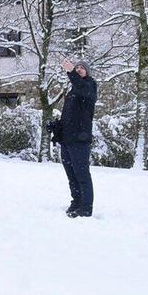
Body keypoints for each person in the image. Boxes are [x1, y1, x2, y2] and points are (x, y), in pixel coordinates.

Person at [56, 58, 97, 217]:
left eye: (82, 68)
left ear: (87, 72)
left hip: (80, 140)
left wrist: (71, 71)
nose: (79, 69)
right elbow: (71, 116)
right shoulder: (73, 90)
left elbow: (82, 88)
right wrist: (57, 127)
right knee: (71, 174)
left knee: (82, 174)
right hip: (67, 139)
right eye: (77, 67)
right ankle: (76, 202)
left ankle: (86, 207)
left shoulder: (90, 86)